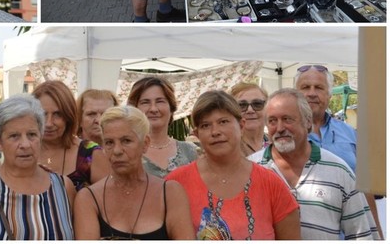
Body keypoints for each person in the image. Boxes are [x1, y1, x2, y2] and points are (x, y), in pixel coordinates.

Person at [166, 91, 300, 239]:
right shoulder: (175, 184)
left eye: (223, 122)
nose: (215, 131)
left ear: (241, 126)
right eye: (205, 125)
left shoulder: (270, 184)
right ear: (197, 134)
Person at [249, 88, 380, 239]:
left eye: (287, 119)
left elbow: (362, 234)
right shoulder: (249, 169)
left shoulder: (339, 171)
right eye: (272, 121)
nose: (279, 128)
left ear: (308, 122)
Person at [0, 96, 75, 240]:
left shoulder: (63, 187)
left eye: (32, 135)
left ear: (40, 137)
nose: (25, 144)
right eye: (14, 136)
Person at [74, 106, 195, 239]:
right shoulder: (89, 198)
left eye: (126, 141)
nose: (117, 150)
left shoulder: (170, 193)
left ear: (145, 144)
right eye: (109, 142)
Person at [294, 63, 383, 236]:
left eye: (319, 87)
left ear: (329, 94)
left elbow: (366, 190)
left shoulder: (350, 134)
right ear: (295, 93)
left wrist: (377, 235)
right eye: (305, 87)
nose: (312, 93)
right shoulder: (285, 137)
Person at [33, 80, 110, 191]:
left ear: (69, 116)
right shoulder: (23, 151)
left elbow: (108, 200)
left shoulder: (90, 154)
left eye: (57, 114)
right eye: (43, 114)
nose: (49, 123)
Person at [127, 77, 198, 178]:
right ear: (135, 108)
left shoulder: (190, 152)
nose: (153, 109)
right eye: (145, 102)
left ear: (171, 107)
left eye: (160, 101)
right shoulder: (126, 152)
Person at [230, 82, 269, 156]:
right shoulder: (229, 149)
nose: (250, 110)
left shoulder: (276, 142)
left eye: (257, 104)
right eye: (242, 105)